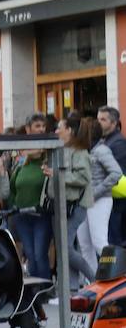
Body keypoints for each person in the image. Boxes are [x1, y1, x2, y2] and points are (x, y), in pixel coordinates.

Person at [54, 116, 94, 288]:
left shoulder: (79, 152)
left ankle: (94, 279)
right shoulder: (64, 149)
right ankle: (71, 289)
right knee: (67, 247)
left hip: (75, 205)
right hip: (65, 204)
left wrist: (57, 175)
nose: (56, 131)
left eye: (59, 127)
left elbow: (83, 177)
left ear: (69, 130)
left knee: (66, 249)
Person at [9, 139, 52, 280]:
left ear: (42, 149)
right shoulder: (20, 167)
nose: (31, 147)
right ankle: (36, 291)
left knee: (40, 254)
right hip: (22, 216)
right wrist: (13, 208)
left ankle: (45, 287)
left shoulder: (47, 167)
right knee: (30, 255)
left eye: (36, 144)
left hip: (41, 216)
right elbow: (12, 190)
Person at [81, 118, 121, 261]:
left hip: (100, 200)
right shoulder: (87, 150)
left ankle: (116, 277)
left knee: (99, 242)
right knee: (85, 245)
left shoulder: (101, 150)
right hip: (86, 201)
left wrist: (95, 192)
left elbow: (116, 173)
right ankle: (92, 280)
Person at [98, 106, 126, 244]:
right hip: (110, 200)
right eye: (98, 119)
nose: (99, 123)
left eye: (103, 119)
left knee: (115, 244)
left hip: (117, 203)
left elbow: (116, 173)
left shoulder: (118, 143)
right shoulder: (104, 141)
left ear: (114, 123)